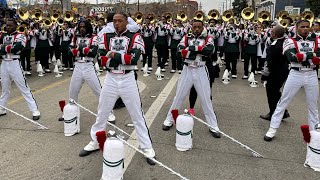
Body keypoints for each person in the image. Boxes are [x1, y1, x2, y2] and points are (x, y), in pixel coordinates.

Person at [80, 13, 156, 165]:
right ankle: (95, 140)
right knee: (102, 112)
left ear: (127, 22)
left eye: (120, 21)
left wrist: (113, 55)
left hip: (128, 78)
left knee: (137, 114)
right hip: (111, 78)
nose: (116, 24)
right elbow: (101, 59)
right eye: (114, 21)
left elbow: (133, 59)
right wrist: (121, 57)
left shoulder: (136, 37)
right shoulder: (106, 36)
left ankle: (146, 147)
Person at [162, 20, 221, 138]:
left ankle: (213, 125)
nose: (197, 29)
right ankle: (169, 119)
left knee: (206, 98)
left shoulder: (208, 38)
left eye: (199, 27)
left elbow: (209, 51)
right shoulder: (186, 37)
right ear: (191, 27)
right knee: (178, 96)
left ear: (203, 27)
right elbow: (179, 52)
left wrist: (190, 49)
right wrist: (198, 50)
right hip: (187, 69)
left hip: (201, 69)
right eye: (195, 27)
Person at [264, 20, 320, 141]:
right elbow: (292, 57)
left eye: (307, 27)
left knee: (313, 105)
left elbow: (317, 57)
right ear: (296, 28)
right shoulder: (290, 40)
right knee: (283, 101)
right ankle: (272, 128)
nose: (305, 29)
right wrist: (311, 56)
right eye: (302, 27)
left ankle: (314, 133)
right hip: (296, 73)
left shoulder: (315, 40)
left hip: (311, 74)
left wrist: (304, 56)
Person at [0, 19, 40, 120]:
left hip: (15, 63)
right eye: (7, 25)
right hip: (4, 63)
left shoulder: (21, 35)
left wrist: (3, 48)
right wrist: (7, 48)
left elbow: (17, 48)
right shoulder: (3, 35)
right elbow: (8, 48)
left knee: (24, 87)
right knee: (4, 88)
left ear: (15, 26)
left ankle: (34, 110)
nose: (7, 27)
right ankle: (2, 108)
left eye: (10, 25)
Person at [260, 25, 290, 121]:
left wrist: (264, 76)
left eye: (272, 32)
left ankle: (273, 113)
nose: (271, 34)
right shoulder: (287, 42)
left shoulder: (273, 46)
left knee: (272, 93)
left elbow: (268, 62)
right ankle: (283, 112)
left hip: (275, 72)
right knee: (277, 92)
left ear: (275, 34)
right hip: (284, 71)